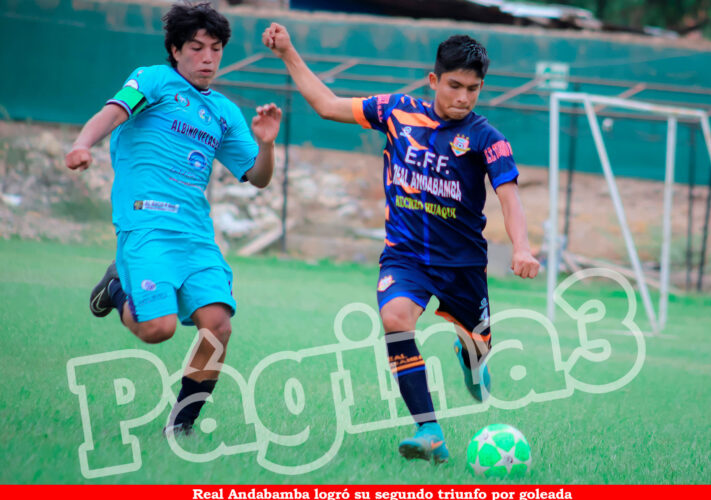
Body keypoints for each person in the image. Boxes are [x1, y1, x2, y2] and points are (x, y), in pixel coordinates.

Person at [262, 24, 539, 463]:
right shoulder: (396, 111)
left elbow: (510, 193)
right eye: (454, 86)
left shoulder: (488, 138)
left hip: (462, 265)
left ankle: (471, 357)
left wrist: (521, 247)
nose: (463, 97)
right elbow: (327, 105)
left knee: (478, 345)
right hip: (405, 255)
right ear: (434, 81)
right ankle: (428, 429)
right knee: (395, 318)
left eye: (473, 89)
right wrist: (288, 52)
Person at [65, 2, 282, 436]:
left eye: (216, 49)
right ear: (175, 49)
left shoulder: (223, 111)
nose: (207, 58)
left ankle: (180, 427)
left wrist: (267, 144)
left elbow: (256, 178)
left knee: (218, 326)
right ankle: (117, 286)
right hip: (145, 224)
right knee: (158, 330)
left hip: (195, 235)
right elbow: (114, 110)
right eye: (197, 48)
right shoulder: (153, 80)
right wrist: (82, 142)